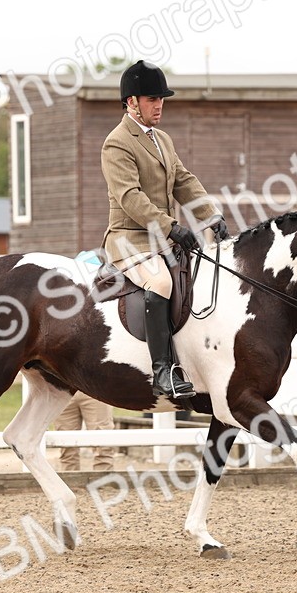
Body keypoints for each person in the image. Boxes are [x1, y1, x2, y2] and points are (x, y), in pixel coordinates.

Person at [101, 60, 229, 398]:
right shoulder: (117, 144)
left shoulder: (162, 140)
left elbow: (183, 180)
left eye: (161, 99)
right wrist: (173, 228)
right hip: (131, 240)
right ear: (132, 102)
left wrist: (210, 216)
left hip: (162, 238)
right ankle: (163, 371)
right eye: (151, 99)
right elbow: (130, 198)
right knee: (159, 282)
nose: (159, 105)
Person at [55, 392, 117, 472]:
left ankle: (104, 483)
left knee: (103, 446)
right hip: (63, 390)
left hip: (94, 389)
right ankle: (71, 483)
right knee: (67, 449)